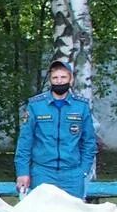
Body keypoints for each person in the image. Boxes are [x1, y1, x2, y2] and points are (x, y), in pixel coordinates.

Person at [14, 58, 97, 200]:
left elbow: (89, 142)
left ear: (71, 80)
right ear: (50, 80)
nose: (59, 81)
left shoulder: (81, 106)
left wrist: (83, 171)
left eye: (63, 77)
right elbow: (25, 142)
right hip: (42, 172)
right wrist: (23, 172)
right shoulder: (36, 105)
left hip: (72, 174)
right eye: (55, 77)